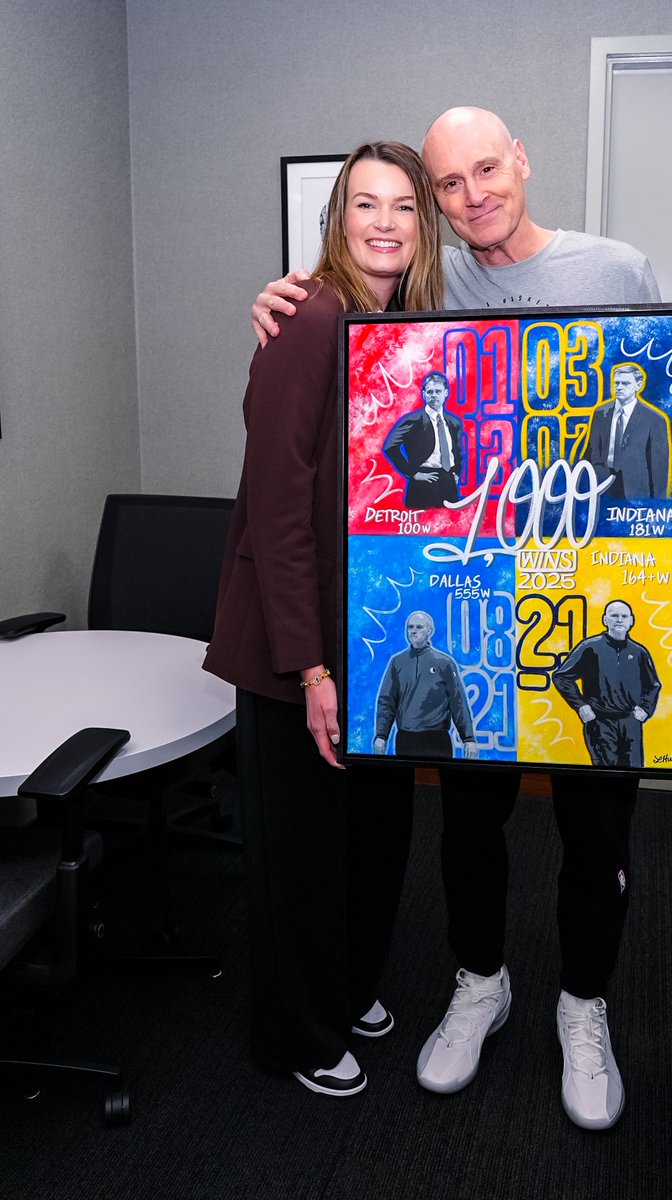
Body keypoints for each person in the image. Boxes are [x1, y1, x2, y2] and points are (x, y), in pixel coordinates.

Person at [249, 106, 672, 1131]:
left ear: (521, 159)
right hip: (469, 597)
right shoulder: (430, 282)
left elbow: (665, 434)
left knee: (596, 824)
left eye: (485, 171)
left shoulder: (617, 268)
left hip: (589, 589)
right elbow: (355, 345)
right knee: (470, 819)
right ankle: (480, 981)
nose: (472, 199)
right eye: (447, 188)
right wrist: (279, 297)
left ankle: (582, 1006)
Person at [203, 142, 444, 1099]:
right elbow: (277, 507)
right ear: (337, 221)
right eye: (364, 205)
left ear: (421, 228)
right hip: (296, 649)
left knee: (371, 838)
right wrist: (310, 671)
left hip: (371, 637)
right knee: (302, 856)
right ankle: (296, 1033)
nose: (384, 223)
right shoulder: (312, 318)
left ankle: (345, 988)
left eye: (402, 208)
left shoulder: (398, 329)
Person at [553, 600, 661, 768]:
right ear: (605, 620)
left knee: (633, 772)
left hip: (630, 723)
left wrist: (646, 709)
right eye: (614, 616)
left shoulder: (639, 652)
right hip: (600, 723)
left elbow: (653, 685)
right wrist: (581, 706)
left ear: (631, 621)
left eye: (624, 616)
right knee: (605, 774)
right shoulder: (590, 648)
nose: (619, 620)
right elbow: (561, 677)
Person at [373, 610, 478, 760]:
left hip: (437, 738)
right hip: (405, 738)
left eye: (418, 627)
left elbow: (458, 702)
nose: (413, 631)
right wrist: (381, 735)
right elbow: (386, 701)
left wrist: (468, 739)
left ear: (429, 631)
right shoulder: (397, 662)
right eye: (410, 627)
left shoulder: (445, 663)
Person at [585, 364, 672, 499]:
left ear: (638, 385)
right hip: (602, 487)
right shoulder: (600, 413)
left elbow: (659, 469)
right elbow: (591, 452)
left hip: (637, 491)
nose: (619, 387)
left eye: (625, 383)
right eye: (616, 383)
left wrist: (657, 505)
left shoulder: (655, 420)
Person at [382, 372, 465, 508]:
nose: (434, 395)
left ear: (445, 393)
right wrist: (413, 473)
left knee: (447, 524)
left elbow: (457, 450)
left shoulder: (453, 422)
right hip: (423, 482)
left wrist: (456, 472)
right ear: (424, 395)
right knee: (423, 525)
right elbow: (390, 447)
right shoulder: (413, 420)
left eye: (438, 391)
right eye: (430, 392)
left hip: (448, 482)